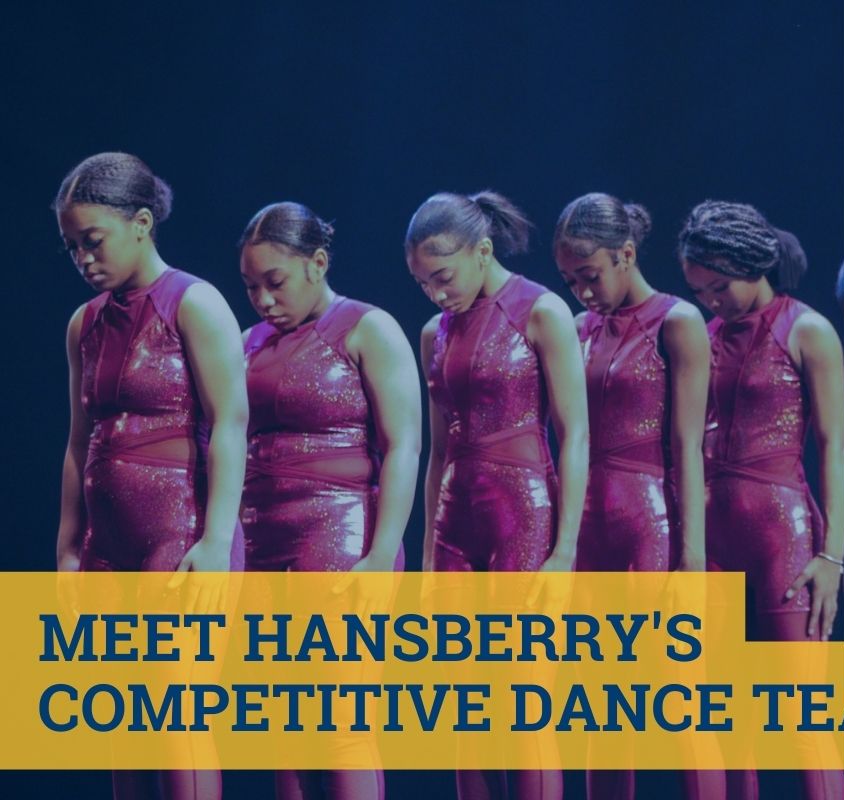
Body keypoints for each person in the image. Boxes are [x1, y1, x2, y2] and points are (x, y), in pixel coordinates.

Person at [54, 152, 247, 799]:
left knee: (175, 718)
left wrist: (217, 541)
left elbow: (229, 424)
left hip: (182, 538)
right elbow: (80, 443)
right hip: (108, 548)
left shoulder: (195, 303)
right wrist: (68, 552)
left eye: (93, 241)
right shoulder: (84, 325)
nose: (82, 259)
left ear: (141, 223)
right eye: (71, 247)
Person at [407, 190, 588, 799]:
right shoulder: (435, 332)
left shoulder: (542, 312)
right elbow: (438, 451)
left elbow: (574, 435)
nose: (435, 293)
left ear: (482, 251)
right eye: (423, 282)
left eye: (443, 276)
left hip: (524, 518)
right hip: (456, 523)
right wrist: (430, 556)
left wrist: (564, 552)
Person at [239, 201, 421, 799]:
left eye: (275, 282)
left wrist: (382, 555)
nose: (263, 300)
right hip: (262, 535)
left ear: (317, 263)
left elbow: (403, 446)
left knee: (339, 720)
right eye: (250, 287)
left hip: (340, 535)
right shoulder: (247, 343)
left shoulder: (369, 327)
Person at [553, 192, 719, 800]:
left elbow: (687, 446)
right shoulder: (575, 328)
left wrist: (692, 559)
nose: (582, 292)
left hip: (648, 519)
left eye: (590, 276)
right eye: (570, 280)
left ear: (626, 255)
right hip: (589, 518)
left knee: (680, 696)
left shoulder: (678, 321)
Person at [679, 200, 844, 799]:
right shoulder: (702, 336)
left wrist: (833, 557)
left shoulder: (807, 329)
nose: (710, 301)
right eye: (699, 291)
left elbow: (834, 448)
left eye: (719, 286)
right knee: (726, 719)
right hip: (712, 532)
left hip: (783, 535)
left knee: (802, 715)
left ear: (754, 264)